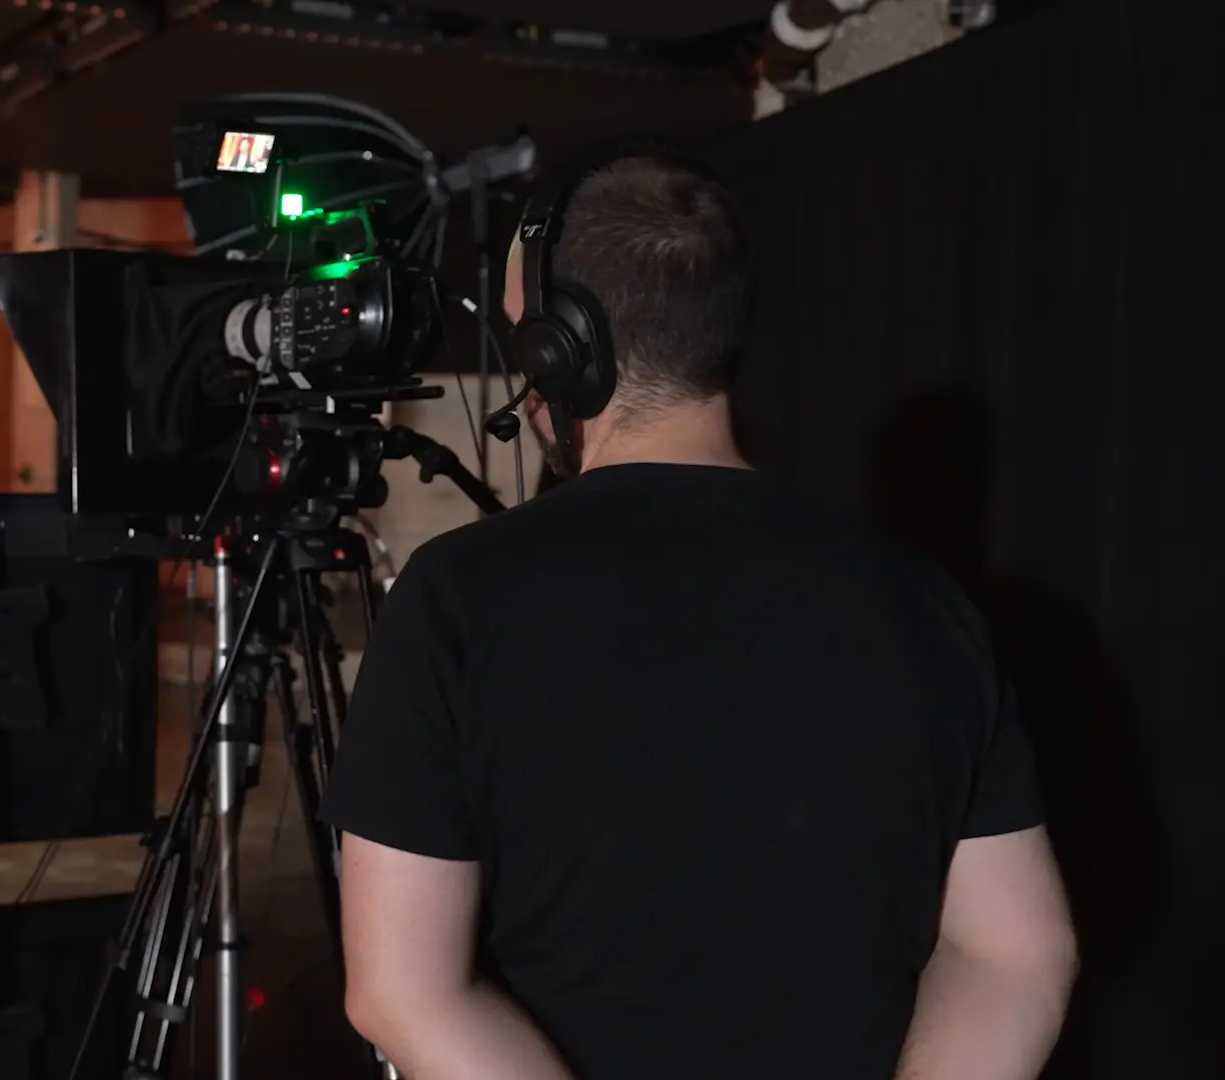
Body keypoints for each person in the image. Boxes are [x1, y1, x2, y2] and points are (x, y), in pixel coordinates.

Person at [321, 154, 1077, 1080]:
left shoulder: (453, 599)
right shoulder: (927, 597)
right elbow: (1014, 957)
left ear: (565, 351)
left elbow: (400, 992)